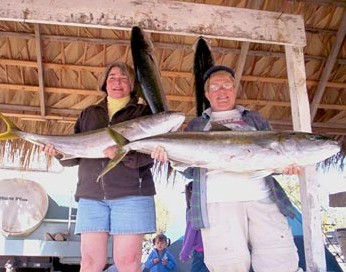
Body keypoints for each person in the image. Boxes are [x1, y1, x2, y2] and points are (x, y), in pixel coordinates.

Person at [151, 65, 304, 272]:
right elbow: (190, 172)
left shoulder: (254, 119)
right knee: (228, 266)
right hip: (218, 203)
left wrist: (285, 165)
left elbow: (273, 159)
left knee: (280, 260)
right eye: (215, 87)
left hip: (263, 199)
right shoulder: (197, 126)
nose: (221, 91)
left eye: (226, 85)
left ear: (234, 89)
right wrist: (170, 158)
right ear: (207, 94)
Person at [42, 61, 156, 272]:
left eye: (124, 78)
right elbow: (73, 157)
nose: (117, 82)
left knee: (129, 261)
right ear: (104, 82)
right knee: (90, 263)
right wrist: (57, 152)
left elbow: (151, 155)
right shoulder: (89, 113)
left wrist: (122, 156)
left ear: (132, 84)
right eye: (112, 77)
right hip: (91, 196)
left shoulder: (144, 114)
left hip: (132, 195)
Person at [179, 181, 209, 272]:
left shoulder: (193, 213)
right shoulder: (208, 210)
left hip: (200, 251)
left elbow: (190, 236)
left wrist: (184, 254)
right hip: (211, 247)